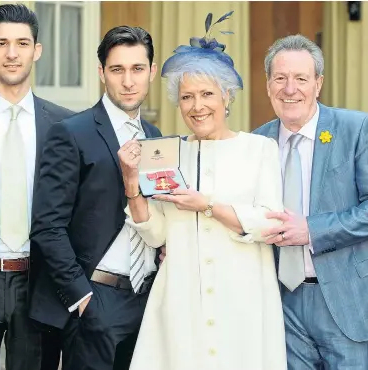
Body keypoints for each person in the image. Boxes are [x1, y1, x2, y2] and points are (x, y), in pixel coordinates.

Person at [118, 12, 287, 370]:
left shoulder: (259, 149)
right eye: (187, 97)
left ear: (227, 96)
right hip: (180, 303)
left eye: (207, 94)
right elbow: (156, 234)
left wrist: (206, 204)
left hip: (241, 302)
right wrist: (133, 185)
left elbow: (270, 224)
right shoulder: (165, 151)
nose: (197, 106)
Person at [28, 26, 162, 370]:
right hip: (96, 297)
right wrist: (82, 297)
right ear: (102, 73)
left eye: (137, 69)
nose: (128, 81)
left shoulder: (156, 137)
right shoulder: (72, 133)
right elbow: (47, 226)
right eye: (117, 70)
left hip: (146, 300)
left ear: (152, 70)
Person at [0, 4, 74, 370]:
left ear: (36, 50)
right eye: (2, 43)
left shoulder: (64, 127)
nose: (11, 53)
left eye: (22, 43)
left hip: (38, 284)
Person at [254, 34, 368, 369]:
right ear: (268, 85)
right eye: (280, 78)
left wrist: (313, 230)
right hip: (280, 305)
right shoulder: (257, 142)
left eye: (301, 79)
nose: (290, 89)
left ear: (318, 84)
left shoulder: (356, 128)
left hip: (343, 303)